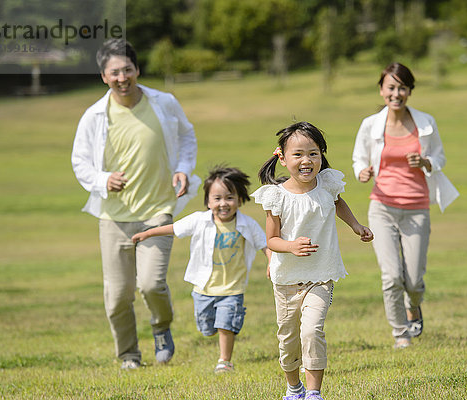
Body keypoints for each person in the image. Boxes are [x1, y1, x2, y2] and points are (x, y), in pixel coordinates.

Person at [71, 38, 199, 369]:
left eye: (128, 69)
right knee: (117, 297)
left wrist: (184, 169)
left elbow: (187, 136)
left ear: (137, 69)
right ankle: (129, 355)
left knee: (152, 283)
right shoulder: (94, 116)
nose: (122, 77)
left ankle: (161, 328)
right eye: (114, 72)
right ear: (104, 76)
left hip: (158, 209)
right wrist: (103, 180)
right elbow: (80, 161)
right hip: (113, 216)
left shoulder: (164, 102)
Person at [252, 122, 373, 400]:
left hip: (321, 274)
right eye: (298, 154)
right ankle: (294, 388)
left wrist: (355, 226)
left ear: (321, 154)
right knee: (288, 341)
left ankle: (314, 393)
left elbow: (337, 202)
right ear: (281, 157)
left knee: (311, 331)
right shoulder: (277, 196)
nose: (306, 161)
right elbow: (271, 240)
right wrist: (290, 246)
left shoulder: (328, 184)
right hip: (286, 281)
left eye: (313, 153)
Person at [351, 62, 459, 349]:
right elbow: (359, 158)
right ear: (381, 89)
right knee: (391, 276)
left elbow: (440, 157)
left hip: (417, 209)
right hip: (382, 208)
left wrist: (425, 162)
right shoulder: (370, 124)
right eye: (391, 87)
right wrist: (362, 172)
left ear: (410, 90)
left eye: (402, 87)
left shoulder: (425, 122)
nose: (396, 93)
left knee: (413, 280)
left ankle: (414, 306)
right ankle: (401, 332)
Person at [132, 166, 269, 373]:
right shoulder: (199, 220)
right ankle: (212, 328)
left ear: (240, 200)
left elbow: (263, 244)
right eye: (217, 198)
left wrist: (270, 262)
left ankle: (224, 361)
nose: (223, 203)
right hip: (203, 288)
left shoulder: (247, 224)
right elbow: (174, 228)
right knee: (207, 328)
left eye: (230, 198)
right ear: (208, 202)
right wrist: (149, 233)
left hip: (232, 288)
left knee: (226, 325)